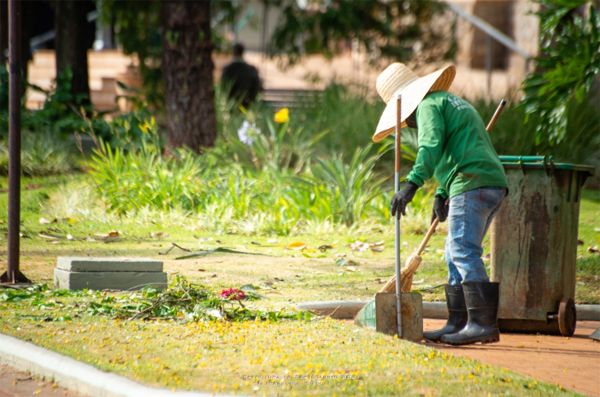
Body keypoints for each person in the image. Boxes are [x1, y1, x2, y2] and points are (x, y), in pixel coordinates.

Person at [372, 63, 508, 346]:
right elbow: (457, 149)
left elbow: (431, 146)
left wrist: (411, 184)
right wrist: (442, 192)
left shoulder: (427, 107)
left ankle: (482, 324)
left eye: (405, 120)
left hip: (471, 183)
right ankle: (458, 322)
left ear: (407, 105)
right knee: (453, 253)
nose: (407, 124)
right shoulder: (447, 101)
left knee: (462, 249)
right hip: (485, 181)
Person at [221, 43, 262, 108]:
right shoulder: (251, 70)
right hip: (247, 104)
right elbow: (257, 86)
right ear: (242, 52)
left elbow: (223, 87)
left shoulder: (227, 69)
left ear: (233, 52)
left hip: (230, 105)